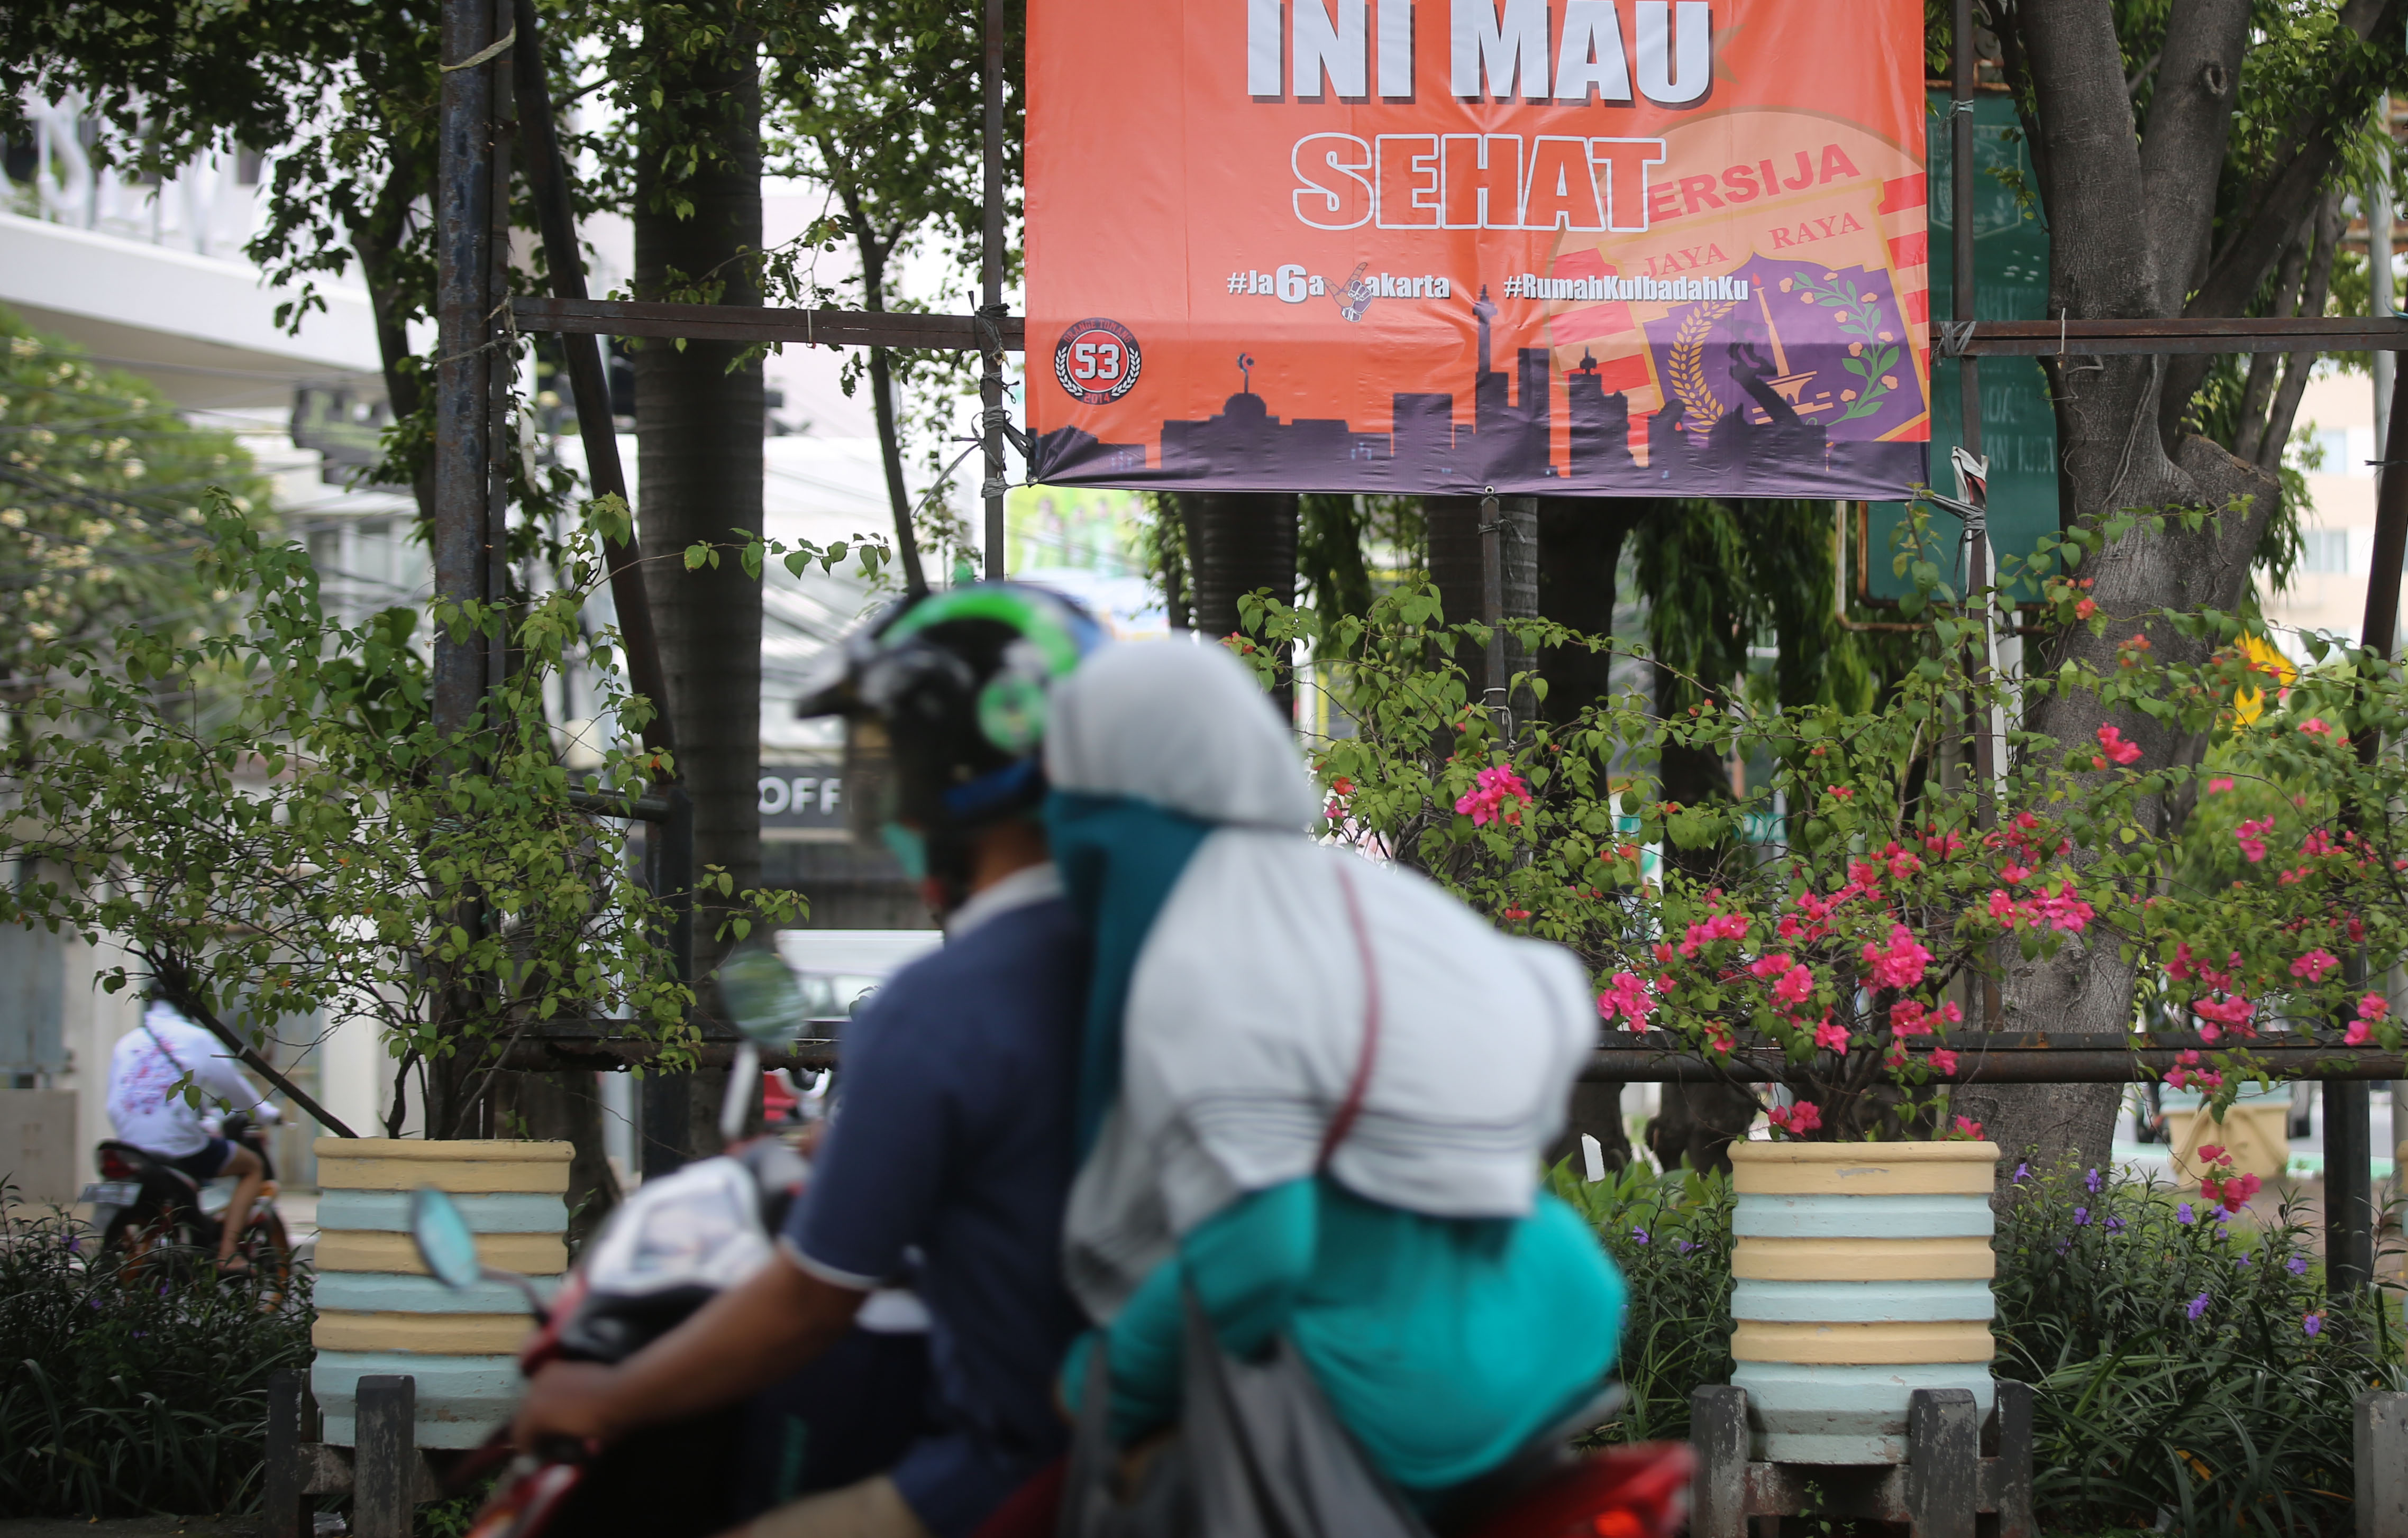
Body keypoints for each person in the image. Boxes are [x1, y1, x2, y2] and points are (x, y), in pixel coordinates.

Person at [513, 582, 1104, 1538]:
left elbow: (808, 1302)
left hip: (1003, 1474)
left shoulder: (939, 1007)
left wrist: (612, 1394)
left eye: (887, 758)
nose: (878, 789)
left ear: (958, 773)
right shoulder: (1153, 959)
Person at [1042, 637, 1624, 1506]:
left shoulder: (1202, 947)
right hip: (1559, 1299)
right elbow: (1550, 999)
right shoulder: (1353, 897)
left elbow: (1255, 1254)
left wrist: (1102, 1379)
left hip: (1406, 1385)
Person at [105, 995, 278, 1272]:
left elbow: (113, 1104)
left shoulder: (128, 1042)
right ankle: (227, 1254)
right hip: (178, 1148)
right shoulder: (197, 1039)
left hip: (130, 1148)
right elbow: (237, 1090)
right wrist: (266, 1113)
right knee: (252, 1168)